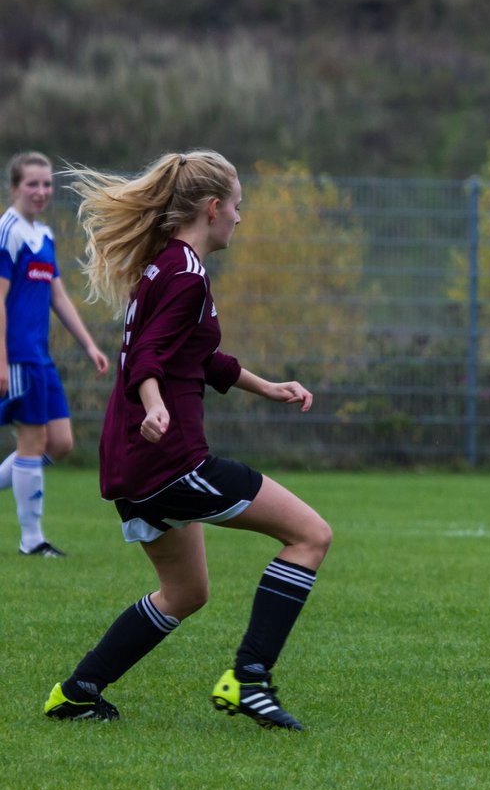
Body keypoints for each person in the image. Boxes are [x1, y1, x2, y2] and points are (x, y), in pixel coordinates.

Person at [42, 150, 332, 730]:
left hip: (133, 466)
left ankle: (76, 691)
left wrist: (266, 386)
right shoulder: (186, 273)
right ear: (212, 207)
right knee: (310, 535)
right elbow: (150, 358)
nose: (240, 221)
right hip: (171, 463)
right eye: (238, 208)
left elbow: (197, 355)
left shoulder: (165, 266)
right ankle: (250, 678)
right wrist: (154, 407)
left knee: (185, 591)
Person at [0, 151, 111, 556]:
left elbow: (57, 294)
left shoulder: (43, 235)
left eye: (47, 184)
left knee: (60, 443)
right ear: (15, 187)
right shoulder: (7, 232)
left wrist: (89, 344)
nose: (42, 191)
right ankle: (32, 542)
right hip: (17, 356)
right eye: (33, 183)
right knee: (31, 441)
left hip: (40, 358)